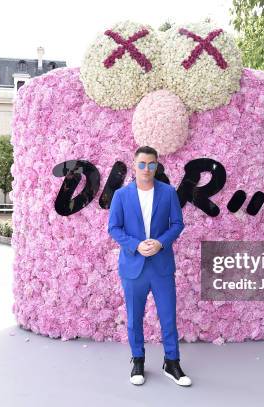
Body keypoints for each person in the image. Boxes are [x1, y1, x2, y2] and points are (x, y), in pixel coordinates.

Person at [107, 146, 192, 387]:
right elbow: (113, 228)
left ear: (157, 166)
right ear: (134, 166)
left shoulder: (168, 193)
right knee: (134, 317)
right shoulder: (121, 196)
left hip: (161, 265)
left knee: (168, 316)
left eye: (151, 164)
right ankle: (137, 360)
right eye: (142, 164)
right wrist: (135, 245)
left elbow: (177, 223)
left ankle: (172, 362)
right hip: (133, 266)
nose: (146, 169)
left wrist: (161, 243)